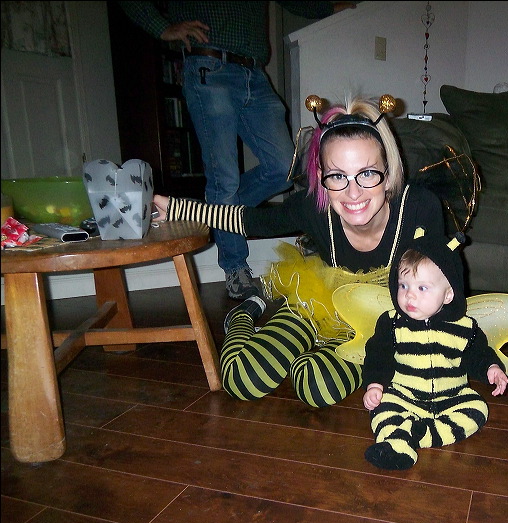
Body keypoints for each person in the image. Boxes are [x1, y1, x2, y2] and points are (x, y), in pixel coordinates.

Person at [152, 94, 451, 409]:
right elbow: (251, 220)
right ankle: (243, 316)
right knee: (243, 378)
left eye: (366, 173)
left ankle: (309, 350)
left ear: (388, 174)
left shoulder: (419, 207)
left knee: (315, 384)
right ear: (322, 179)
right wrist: (176, 207)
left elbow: (442, 281)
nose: (353, 192)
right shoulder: (314, 208)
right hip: (322, 299)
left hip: (378, 317)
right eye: (337, 176)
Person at [119, 2, 355, 300]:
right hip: (209, 65)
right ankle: (235, 268)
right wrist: (161, 28)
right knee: (224, 181)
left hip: (255, 75)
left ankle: (209, 213)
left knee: (286, 166)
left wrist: (330, 6)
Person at [361, 228, 508, 470]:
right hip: (405, 395)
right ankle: (397, 443)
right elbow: (378, 355)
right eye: (403, 285)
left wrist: (491, 368)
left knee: (477, 409)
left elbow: (477, 354)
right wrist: (375, 384)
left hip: (452, 396)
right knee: (382, 410)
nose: (410, 296)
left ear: (448, 294)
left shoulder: (464, 327)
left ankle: (412, 435)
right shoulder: (392, 323)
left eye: (422, 288)